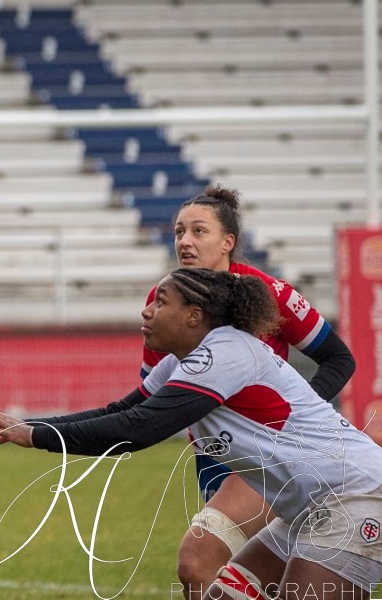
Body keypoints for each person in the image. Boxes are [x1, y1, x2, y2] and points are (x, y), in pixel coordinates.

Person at [0, 266, 382, 600]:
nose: (147, 311)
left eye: (161, 302)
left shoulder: (226, 353)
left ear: (194, 316)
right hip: (310, 507)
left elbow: (140, 428)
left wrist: (35, 437)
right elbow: (119, 412)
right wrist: (30, 427)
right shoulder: (180, 363)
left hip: (355, 495)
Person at [151, 185, 356, 598]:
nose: (185, 241)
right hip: (212, 457)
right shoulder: (164, 304)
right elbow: (150, 402)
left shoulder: (269, 293)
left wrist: (297, 423)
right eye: (179, 232)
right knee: (254, 579)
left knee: (199, 562)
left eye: (198, 231)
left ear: (228, 242)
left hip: (270, 458)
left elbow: (338, 359)